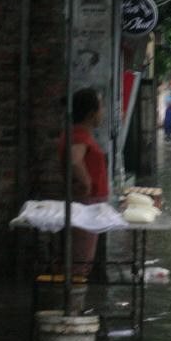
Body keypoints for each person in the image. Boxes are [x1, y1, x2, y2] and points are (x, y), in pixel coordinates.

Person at [58, 88, 108, 278]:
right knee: (80, 260)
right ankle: (73, 305)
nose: (102, 112)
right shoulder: (79, 135)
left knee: (80, 258)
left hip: (88, 205)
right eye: (101, 108)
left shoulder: (79, 134)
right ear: (90, 113)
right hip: (86, 206)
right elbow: (74, 160)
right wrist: (87, 182)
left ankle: (74, 302)